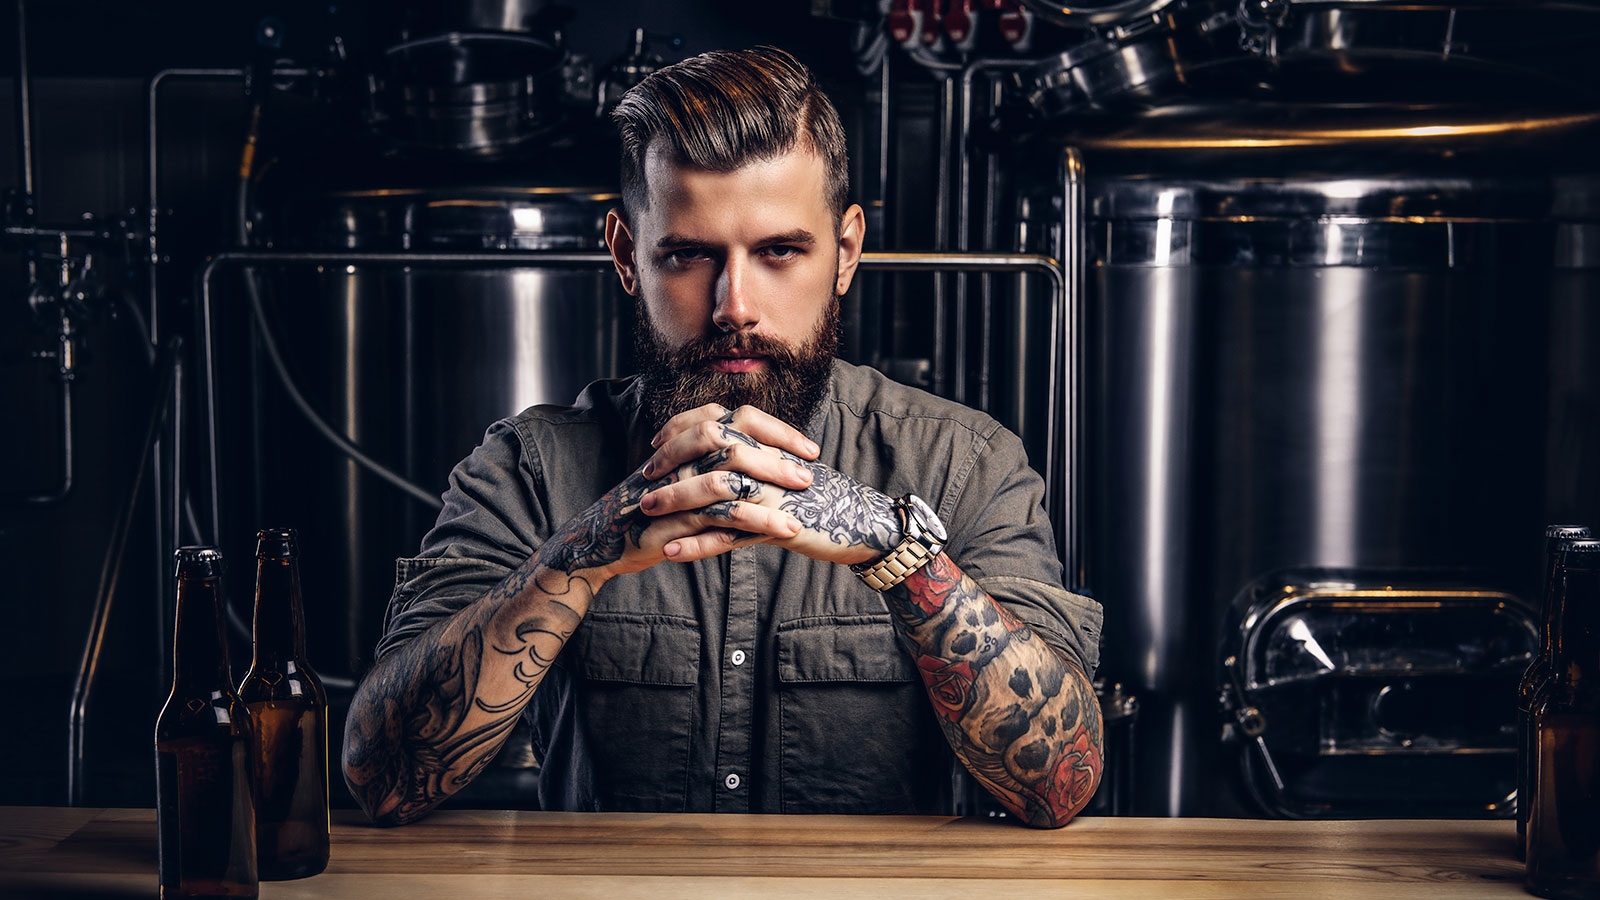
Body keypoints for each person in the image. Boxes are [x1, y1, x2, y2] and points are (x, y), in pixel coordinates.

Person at [341, 46, 1105, 828]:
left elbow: (1058, 788)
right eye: (688, 254)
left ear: (844, 252)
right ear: (626, 256)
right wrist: (575, 559)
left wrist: (896, 547)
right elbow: (385, 777)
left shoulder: (962, 463)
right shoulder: (531, 470)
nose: (734, 304)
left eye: (779, 251)